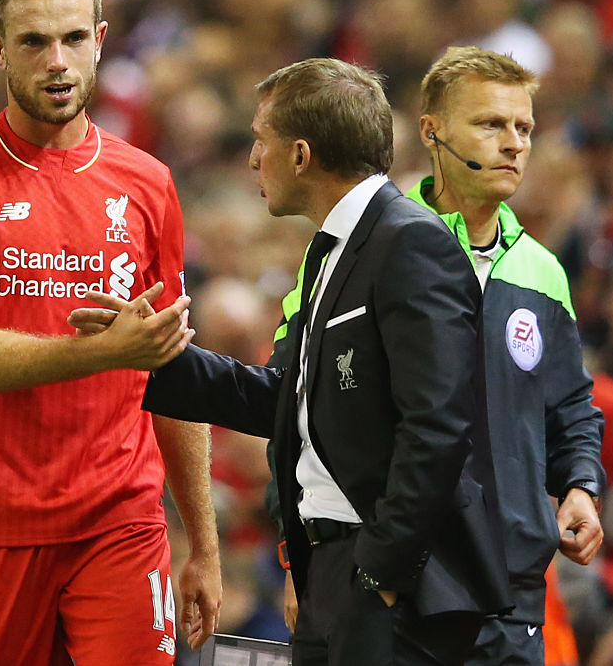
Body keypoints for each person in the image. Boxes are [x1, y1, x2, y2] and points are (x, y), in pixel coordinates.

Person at [74, 57, 512, 666]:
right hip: (327, 569)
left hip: (390, 580)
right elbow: (284, 397)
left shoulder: (411, 242)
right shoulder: (330, 252)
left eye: (261, 141)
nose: (253, 159)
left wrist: (381, 570)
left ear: (301, 155)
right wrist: (149, 358)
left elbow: (438, 425)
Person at [0, 0, 220, 666]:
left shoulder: (148, 183)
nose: (58, 61)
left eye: (75, 38)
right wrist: (106, 351)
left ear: (101, 40)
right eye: (34, 41)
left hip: (120, 519)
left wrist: (201, 539)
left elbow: (172, 368)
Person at [266, 47, 606, 666]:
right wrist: (302, 557)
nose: (513, 144)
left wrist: (580, 483)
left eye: (524, 128)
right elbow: (294, 396)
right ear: (432, 132)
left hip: (512, 588)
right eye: (490, 124)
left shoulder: (542, 269)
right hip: (404, 581)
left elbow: (569, 404)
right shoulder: (370, 245)